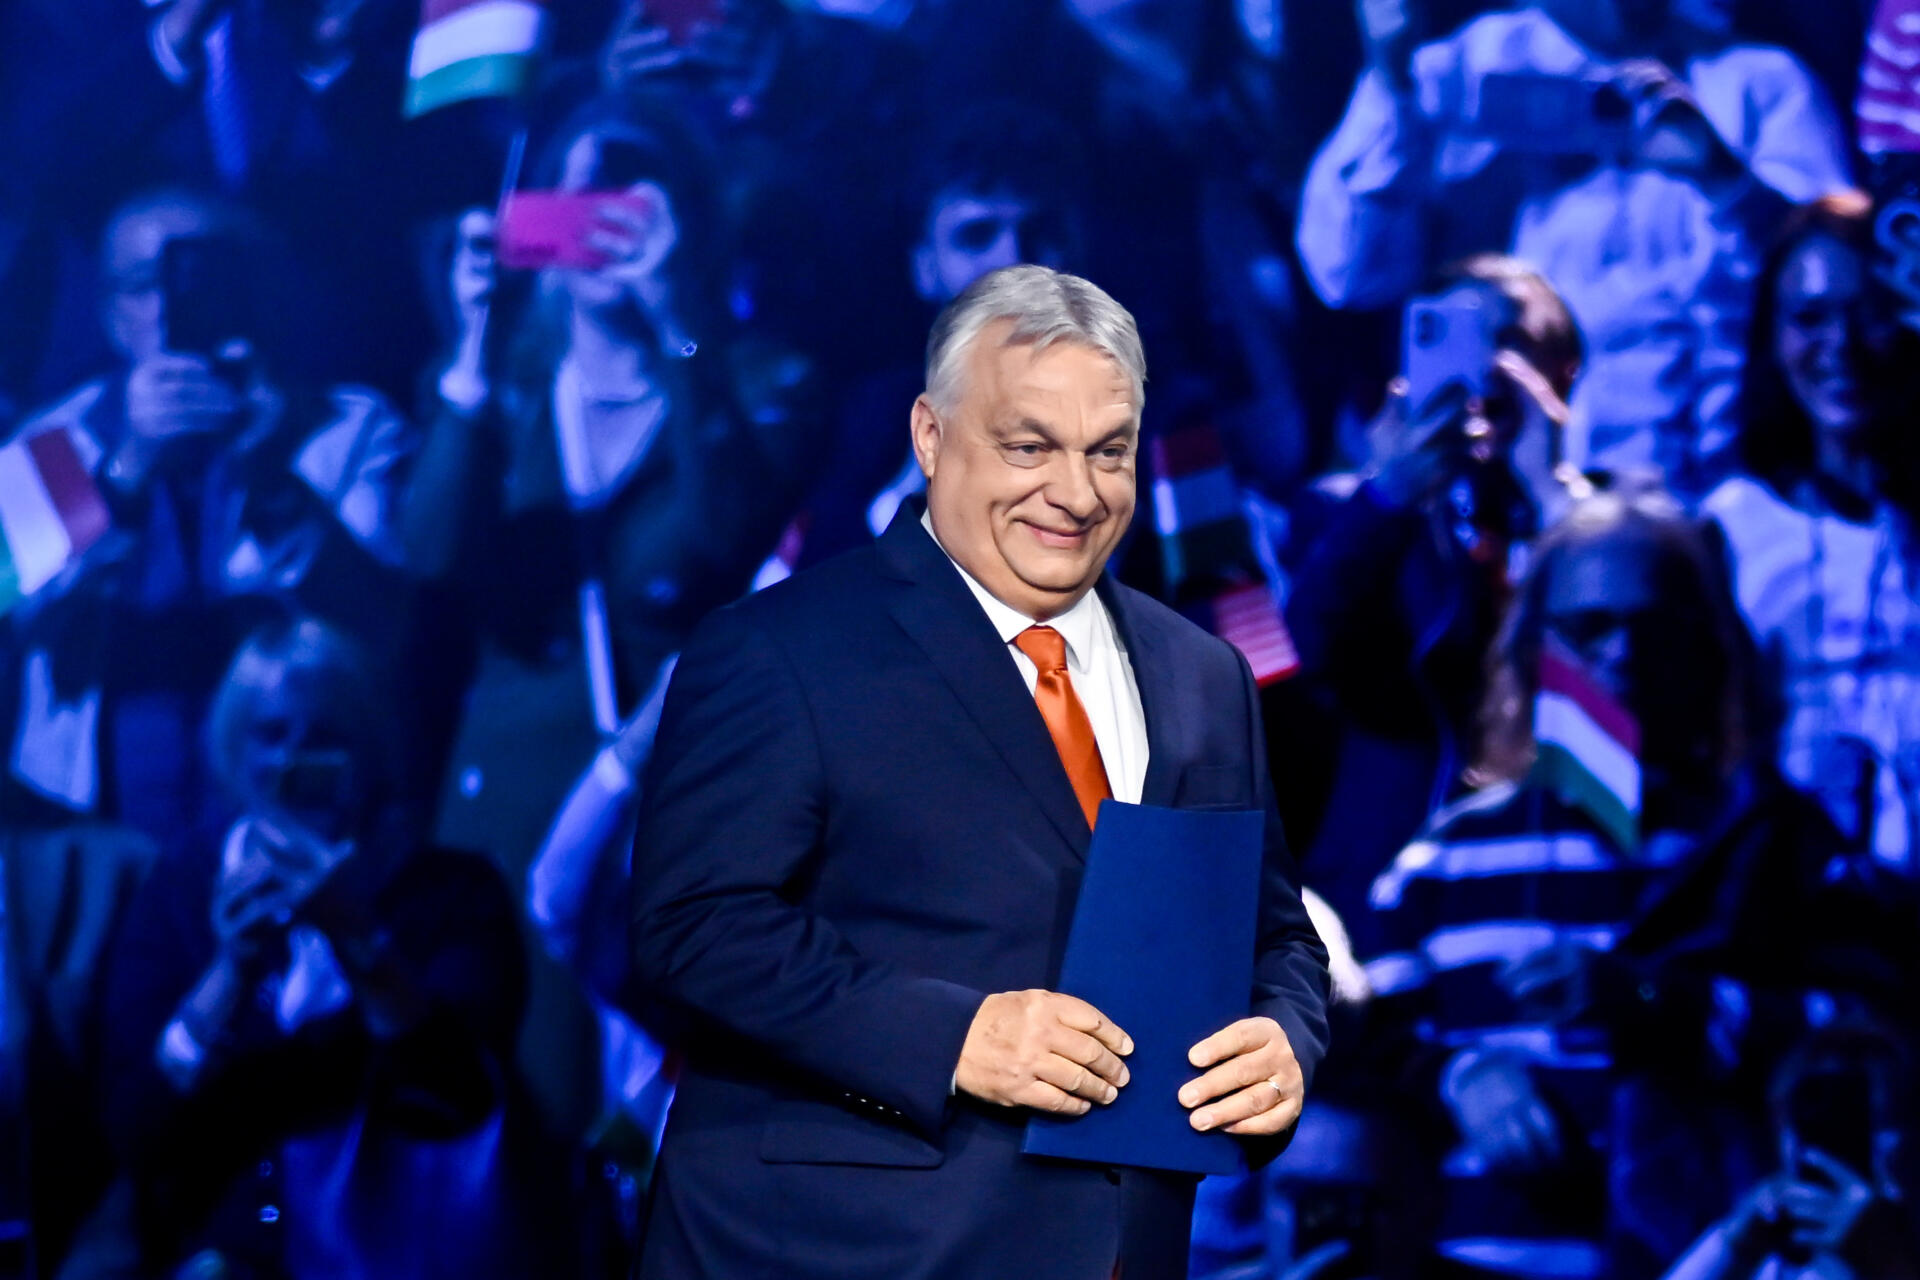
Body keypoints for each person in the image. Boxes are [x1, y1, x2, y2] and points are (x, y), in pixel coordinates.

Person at [626, 265, 1331, 1279]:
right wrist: (954, 1036)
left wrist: (1282, 1039)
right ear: (929, 436)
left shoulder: (1202, 672)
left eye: (1109, 451)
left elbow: (1275, 932)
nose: (1078, 494)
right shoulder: (779, 648)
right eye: (1030, 445)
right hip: (836, 1253)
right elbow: (693, 925)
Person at [1365, 491, 1918, 1278]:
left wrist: (1659, 1001)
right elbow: (1367, 1042)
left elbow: (1866, 1039)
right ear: (1533, 645)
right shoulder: (1444, 860)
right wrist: (1462, 1076)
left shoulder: (1768, 844)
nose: (1621, 656)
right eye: (1590, 629)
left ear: (1707, 647)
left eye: (1655, 629)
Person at [94, 616, 586, 1279]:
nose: (293, 760)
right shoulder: (179, 890)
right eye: (271, 734)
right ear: (234, 752)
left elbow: (458, 1096)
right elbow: (138, 1135)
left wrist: (355, 932)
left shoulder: (449, 894)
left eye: (325, 737)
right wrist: (229, 971)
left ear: (371, 756)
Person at [1, 186, 417, 859]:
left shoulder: (349, 432)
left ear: (253, 291)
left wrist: (276, 479)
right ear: (109, 315)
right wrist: (124, 471)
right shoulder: (53, 442)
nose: (167, 309)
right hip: (95, 839)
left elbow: (382, 627)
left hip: (301, 827)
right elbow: (9, 598)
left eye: (199, 278)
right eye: (141, 285)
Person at [1298, 0, 1853, 493]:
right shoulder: (1458, 78)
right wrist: (1391, 84)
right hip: (1528, 514)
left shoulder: (1756, 82)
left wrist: (1727, 182)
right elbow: (1345, 272)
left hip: (1735, 488)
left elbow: (1836, 296)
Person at [1281, 254, 1583, 957]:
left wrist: (1551, 496)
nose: (1488, 365)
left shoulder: (1596, 523)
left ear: (1564, 367)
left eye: (1511, 340)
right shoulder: (1349, 512)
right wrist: (1387, 501)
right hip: (1391, 866)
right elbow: (1300, 662)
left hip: (1547, 858)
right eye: (1463, 339)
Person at [1702, 193, 1920, 872]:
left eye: (1872, 315)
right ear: (1771, 336)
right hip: (1795, 923)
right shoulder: (1734, 528)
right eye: (1809, 318)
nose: (1842, 347)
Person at [1659, 1024, 1920, 1280]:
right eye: (1811, 1123)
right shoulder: (1772, 1259)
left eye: (1855, 1120)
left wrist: (1891, 1265)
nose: (1824, 1145)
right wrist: (1731, 1245)